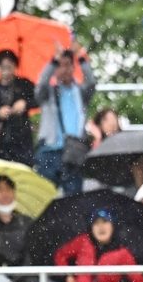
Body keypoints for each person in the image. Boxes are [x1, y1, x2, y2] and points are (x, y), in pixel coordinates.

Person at [34, 40, 97, 197]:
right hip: (49, 151)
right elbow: (41, 84)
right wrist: (53, 61)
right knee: (43, 199)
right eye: (60, 65)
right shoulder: (48, 93)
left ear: (73, 67)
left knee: (73, 201)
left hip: (73, 152)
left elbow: (92, 82)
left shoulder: (80, 93)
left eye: (68, 64)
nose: (64, 69)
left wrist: (80, 57)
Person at [0, 50, 36, 166]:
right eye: (3, 67)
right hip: (1, 140)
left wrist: (25, 103)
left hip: (22, 138)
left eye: (9, 66)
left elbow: (38, 99)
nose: (6, 70)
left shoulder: (24, 84)